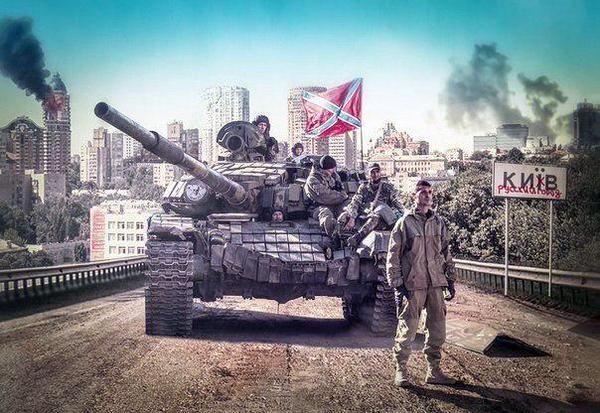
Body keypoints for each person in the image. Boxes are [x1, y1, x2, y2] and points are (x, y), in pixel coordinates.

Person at [386, 180, 456, 387]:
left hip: (435, 283)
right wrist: (397, 284)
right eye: (423, 192)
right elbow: (393, 256)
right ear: (414, 196)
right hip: (413, 284)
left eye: (430, 192)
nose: (427, 195)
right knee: (407, 328)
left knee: (437, 329)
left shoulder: (438, 222)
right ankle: (401, 370)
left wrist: (450, 279)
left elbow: (445, 251)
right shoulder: (404, 223)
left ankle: (434, 371)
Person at [338, 162, 404, 247]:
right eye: (372, 172)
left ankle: (357, 238)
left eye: (377, 171)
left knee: (375, 217)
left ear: (380, 173)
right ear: (368, 174)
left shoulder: (388, 188)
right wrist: (352, 217)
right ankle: (336, 242)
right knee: (343, 216)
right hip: (366, 215)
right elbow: (355, 201)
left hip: (383, 219)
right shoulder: (364, 187)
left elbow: (398, 204)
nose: (375, 174)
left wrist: (404, 216)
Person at [304, 155, 348, 237]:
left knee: (349, 209)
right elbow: (325, 195)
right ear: (324, 169)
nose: (333, 170)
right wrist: (342, 196)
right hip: (317, 207)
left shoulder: (334, 176)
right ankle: (335, 236)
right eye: (331, 169)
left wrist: (343, 197)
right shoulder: (313, 179)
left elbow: (342, 190)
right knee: (326, 215)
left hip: (336, 204)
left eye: (334, 168)